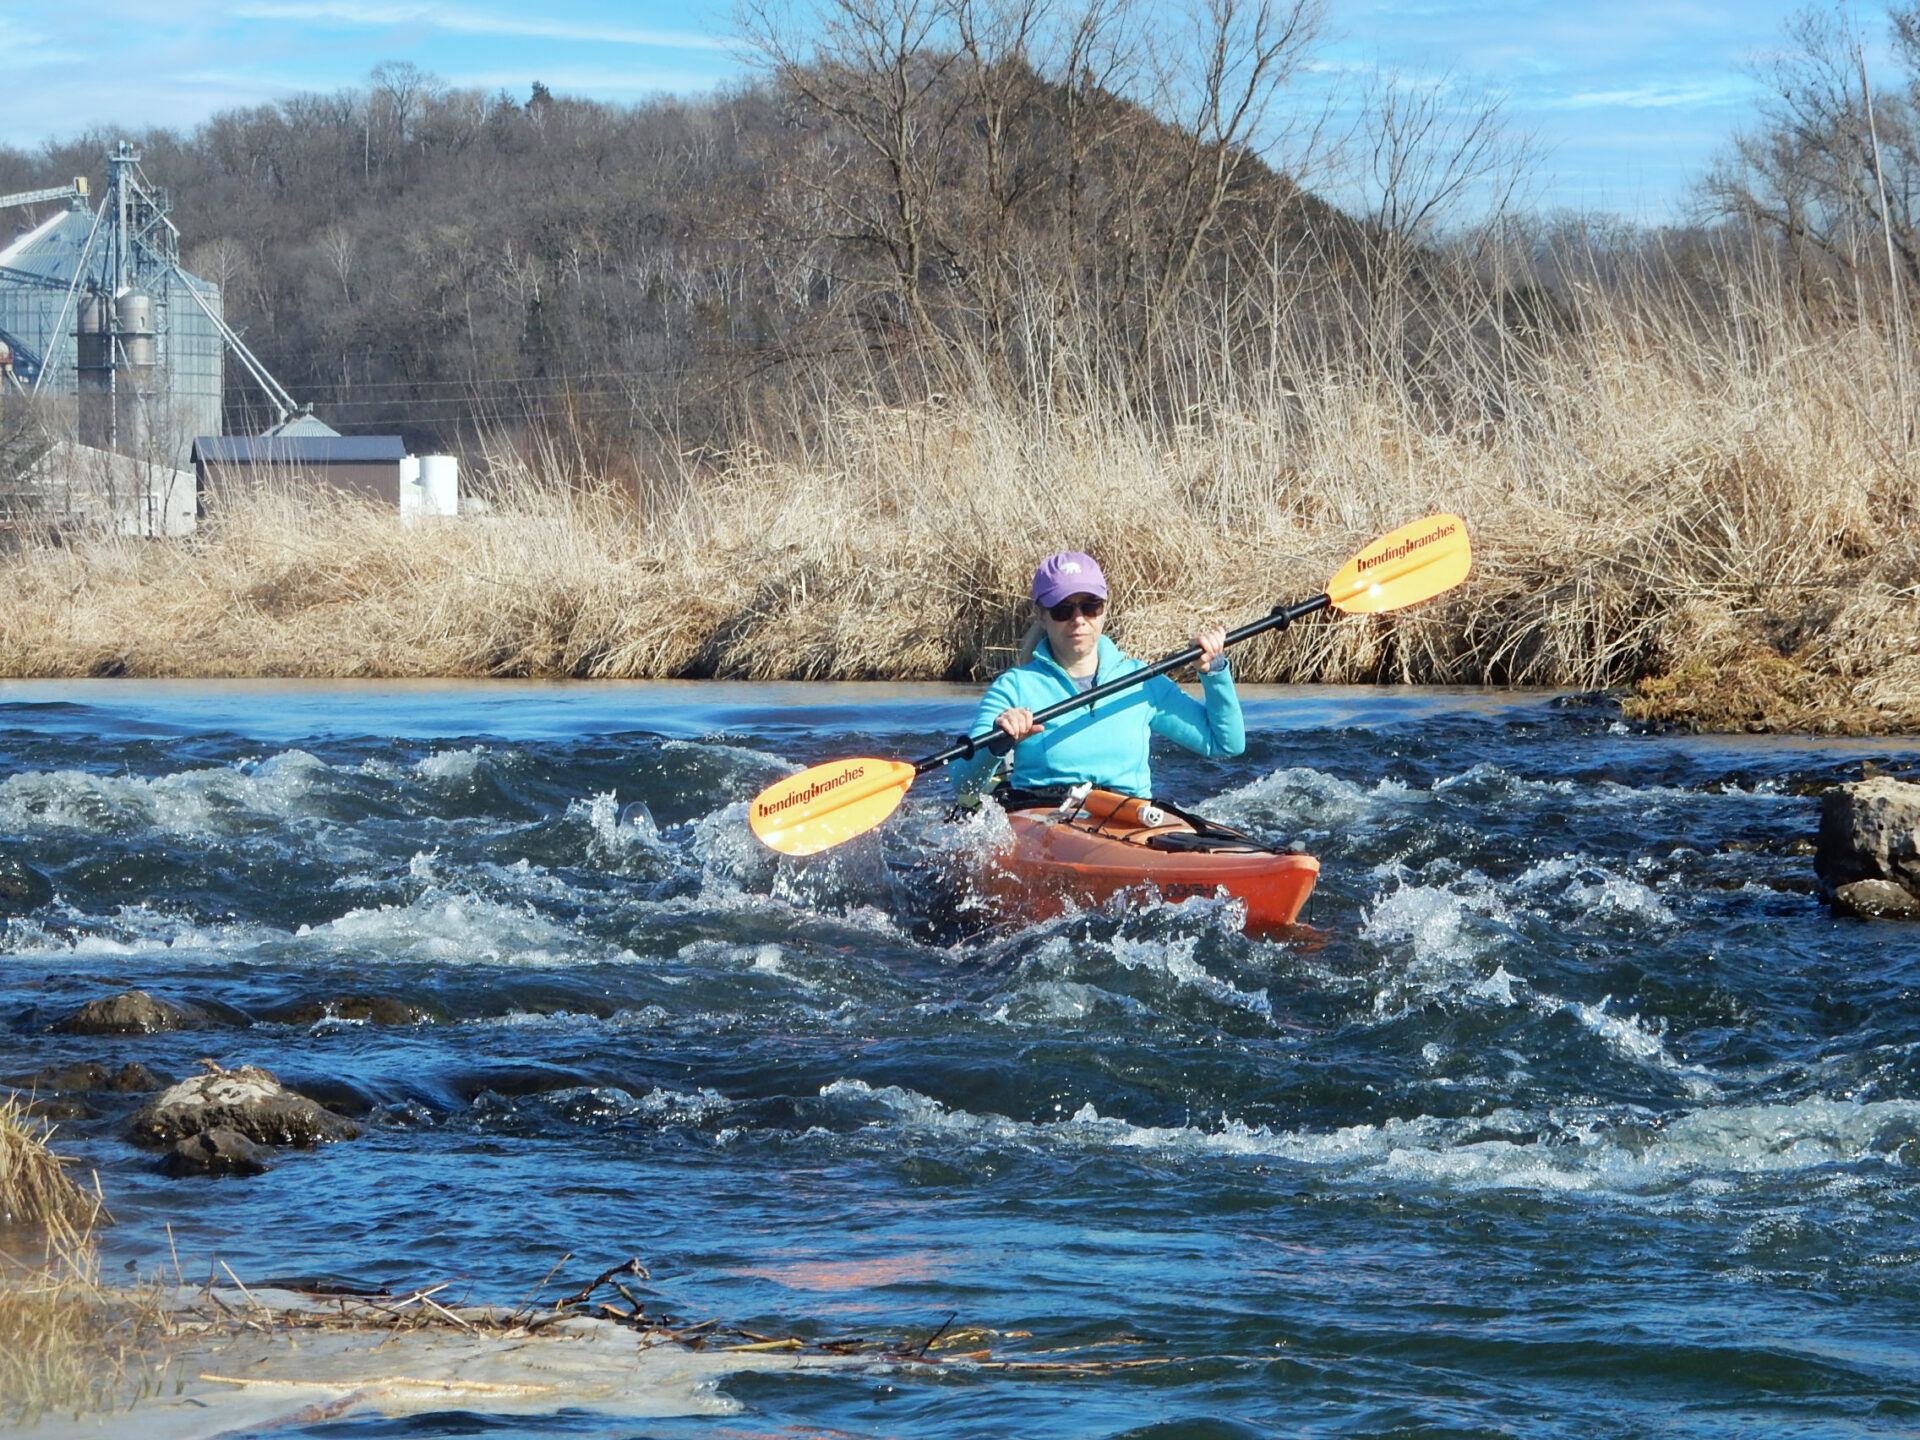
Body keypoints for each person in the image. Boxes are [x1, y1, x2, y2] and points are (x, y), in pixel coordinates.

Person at [951, 551, 1244, 802]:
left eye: (1090, 606)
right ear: (1041, 615)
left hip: (1128, 818)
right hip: (1043, 816)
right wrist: (999, 743)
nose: (1078, 619)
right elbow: (963, 785)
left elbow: (1226, 745)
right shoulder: (1014, 687)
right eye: (1063, 609)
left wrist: (1214, 672)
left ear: (1104, 609)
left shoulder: (1142, 680)